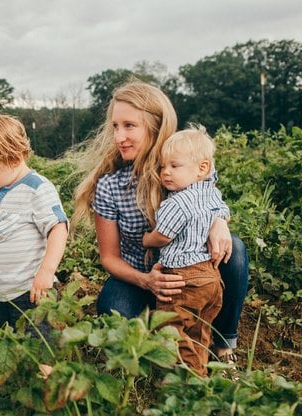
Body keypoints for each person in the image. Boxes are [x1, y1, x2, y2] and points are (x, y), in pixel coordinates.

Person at [73, 80, 249, 368]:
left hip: (192, 270)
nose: (119, 136)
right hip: (140, 275)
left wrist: (220, 220)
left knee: (236, 251)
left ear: (155, 126)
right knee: (112, 308)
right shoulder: (110, 185)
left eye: (130, 125)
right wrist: (147, 281)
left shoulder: (185, 159)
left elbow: (210, 196)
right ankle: (163, 334)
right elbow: (109, 258)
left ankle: (224, 340)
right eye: (115, 126)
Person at [0, 112, 69, 337]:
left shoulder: (37, 188)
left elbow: (58, 228)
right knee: (9, 345)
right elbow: (7, 216)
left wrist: (46, 273)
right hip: (4, 293)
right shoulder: (6, 188)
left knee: (37, 349)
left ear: (15, 156)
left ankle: (46, 373)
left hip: (32, 292)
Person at [142, 125, 227, 376]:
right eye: (162, 166)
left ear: (202, 168)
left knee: (170, 327)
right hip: (211, 278)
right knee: (199, 331)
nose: (165, 173)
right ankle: (201, 375)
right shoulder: (211, 192)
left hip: (183, 278)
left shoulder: (177, 202)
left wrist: (147, 239)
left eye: (174, 166)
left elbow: (163, 236)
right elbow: (223, 210)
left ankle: (184, 383)